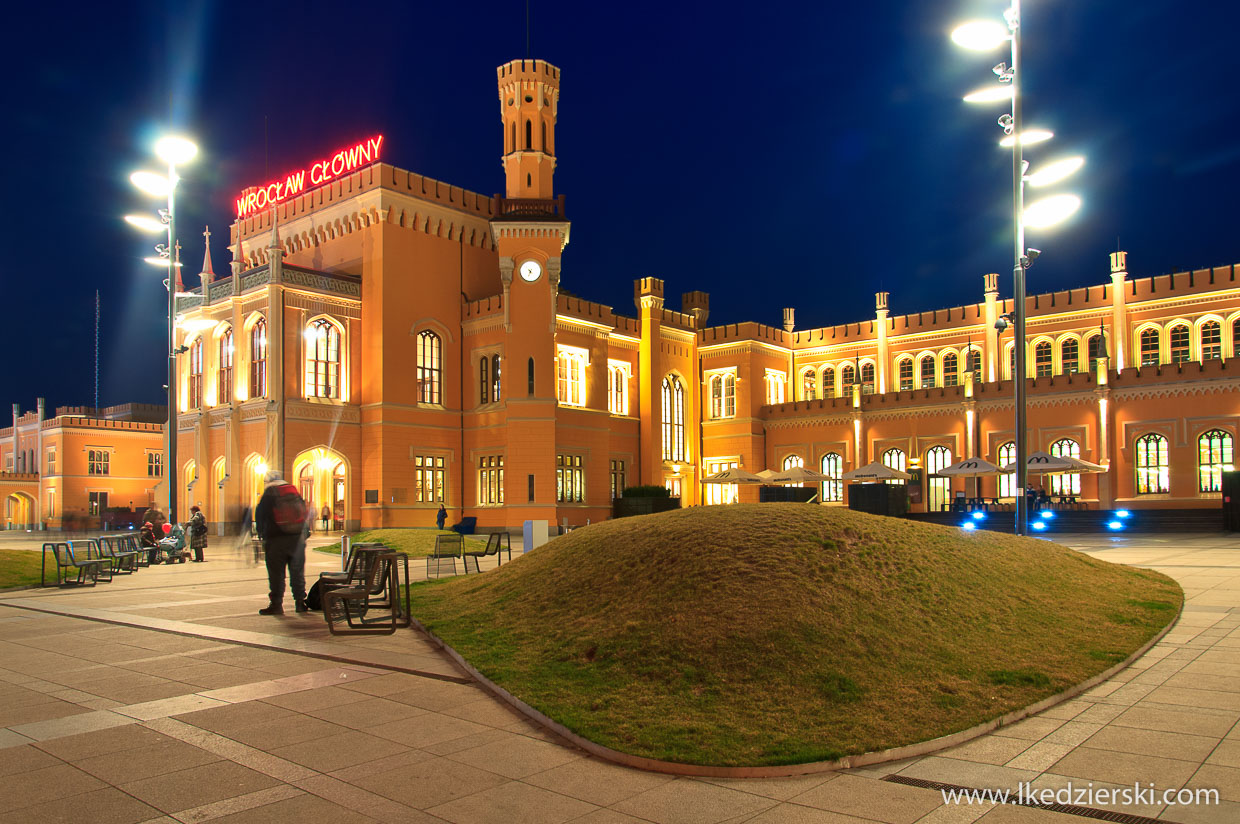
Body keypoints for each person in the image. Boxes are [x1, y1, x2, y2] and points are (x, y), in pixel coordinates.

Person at [255, 470, 308, 615]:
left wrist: (262, 534)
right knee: (297, 572)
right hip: (297, 539)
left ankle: (276, 604)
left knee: (276, 574)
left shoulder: (269, 494)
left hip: (276, 540)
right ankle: (300, 602)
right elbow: (304, 513)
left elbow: (260, 515)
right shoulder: (294, 492)